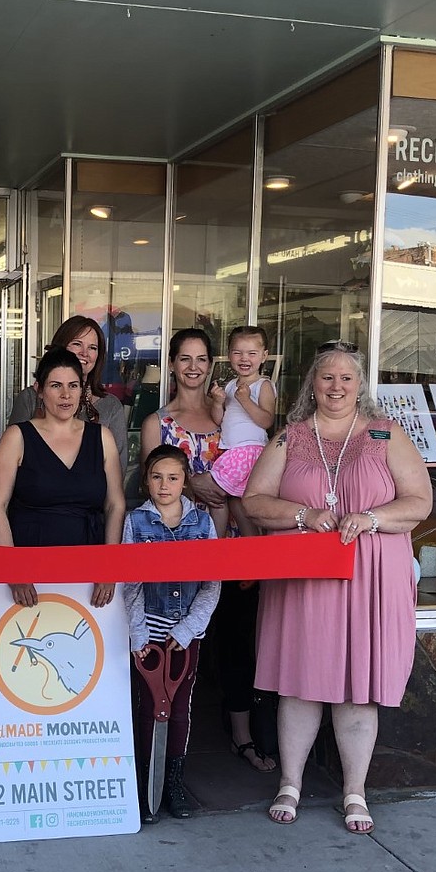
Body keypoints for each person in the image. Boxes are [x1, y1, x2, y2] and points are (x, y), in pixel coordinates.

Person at [243, 340, 431, 833]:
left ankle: (355, 791)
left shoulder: (385, 433)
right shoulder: (290, 437)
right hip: (304, 579)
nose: (337, 386)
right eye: (327, 377)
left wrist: (372, 517)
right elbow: (254, 501)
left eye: (347, 378)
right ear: (313, 384)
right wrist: (303, 514)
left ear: (359, 386)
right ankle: (290, 782)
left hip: (369, 578)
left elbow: (419, 502)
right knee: (299, 681)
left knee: (357, 688)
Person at [141, 328, 275, 772]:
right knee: (171, 645)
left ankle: (240, 733)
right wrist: (195, 483)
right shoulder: (157, 423)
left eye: (202, 359)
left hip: (233, 543)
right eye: (184, 358)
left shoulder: (231, 416)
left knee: (236, 638)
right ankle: (164, 753)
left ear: (212, 364)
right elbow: (147, 490)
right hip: (172, 552)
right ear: (173, 364)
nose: (193, 367)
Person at [123, 444, 220, 823]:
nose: (165, 485)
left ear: (185, 482)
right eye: (157, 477)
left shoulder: (203, 522)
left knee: (179, 709)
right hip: (148, 628)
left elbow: (213, 582)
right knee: (148, 707)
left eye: (173, 478)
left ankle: (174, 782)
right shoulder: (136, 522)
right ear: (146, 480)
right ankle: (147, 780)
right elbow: (129, 583)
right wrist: (138, 634)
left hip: (184, 633)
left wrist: (189, 628)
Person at [0, 347, 125, 608]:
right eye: (56, 385)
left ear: (82, 388)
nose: (66, 395)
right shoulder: (17, 437)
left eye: (73, 385)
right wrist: (14, 571)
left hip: (89, 568)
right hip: (28, 572)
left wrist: (109, 566)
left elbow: (115, 504)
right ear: (39, 389)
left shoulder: (102, 437)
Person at [8, 315, 129, 472]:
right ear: (61, 346)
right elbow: (10, 462)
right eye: (77, 344)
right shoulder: (29, 398)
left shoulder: (111, 406)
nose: (84, 353)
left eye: (93, 348)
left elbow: (119, 469)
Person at [208, 325, 276, 538]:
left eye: (252, 353)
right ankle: (240, 544)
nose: (244, 358)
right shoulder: (230, 386)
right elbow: (219, 420)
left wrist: (246, 400)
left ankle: (215, 541)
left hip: (249, 451)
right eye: (237, 352)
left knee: (216, 492)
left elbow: (267, 420)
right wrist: (218, 403)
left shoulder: (263, 385)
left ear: (264, 356)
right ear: (229, 355)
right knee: (237, 505)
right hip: (231, 451)